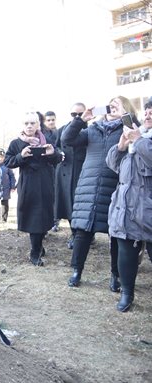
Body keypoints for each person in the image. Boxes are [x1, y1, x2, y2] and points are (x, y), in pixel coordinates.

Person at [62, 96, 138, 289]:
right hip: (88, 186)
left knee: (116, 235)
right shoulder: (92, 129)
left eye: (117, 105)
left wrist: (126, 119)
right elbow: (67, 139)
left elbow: (137, 144)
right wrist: (81, 119)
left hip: (115, 186)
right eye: (110, 104)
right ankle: (76, 271)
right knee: (83, 232)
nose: (112, 107)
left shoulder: (129, 128)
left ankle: (116, 275)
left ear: (126, 109)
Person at [106, 101, 151, 312]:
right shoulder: (136, 135)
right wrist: (121, 147)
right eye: (148, 109)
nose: (149, 113)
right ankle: (127, 292)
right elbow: (114, 166)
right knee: (126, 252)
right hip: (126, 206)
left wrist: (139, 141)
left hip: (148, 207)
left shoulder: (141, 139)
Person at [4, 112, 62, 266]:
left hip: (46, 184)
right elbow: (8, 162)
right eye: (26, 123)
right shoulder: (16, 143)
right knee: (34, 218)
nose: (29, 126)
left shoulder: (47, 140)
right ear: (22, 125)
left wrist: (52, 153)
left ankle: (39, 246)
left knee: (45, 217)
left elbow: (57, 159)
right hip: (28, 185)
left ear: (38, 125)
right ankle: (34, 252)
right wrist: (21, 156)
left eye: (32, 123)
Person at [53, 103, 87, 249]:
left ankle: (84, 234)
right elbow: (55, 147)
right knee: (67, 205)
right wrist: (58, 153)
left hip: (82, 171)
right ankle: (74, 234)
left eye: (80, 114)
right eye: (74, 115)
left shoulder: (91, 130)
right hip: (64, 172)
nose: (77, 117)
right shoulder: (62, 129)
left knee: (82, 205)